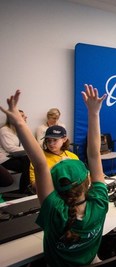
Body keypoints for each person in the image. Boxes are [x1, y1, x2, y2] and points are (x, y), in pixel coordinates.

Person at [0, 85, 108, 266]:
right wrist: (94, 112)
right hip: (92, 261)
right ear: (87, 181)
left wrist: (18, 124)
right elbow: (94, 154)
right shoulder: (99, 202)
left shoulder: (54, 210)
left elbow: (40, 165)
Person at [29, 125, 79, 192]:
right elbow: (35, 186)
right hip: (50, 194)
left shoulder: (72, 157)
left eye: (55, 140)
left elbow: (82, 179)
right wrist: (53, 170)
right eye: (48, 141)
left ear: (64, 139)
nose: (51, 144)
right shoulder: (39, 158)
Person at [0, 109, 30, 193]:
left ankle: (26, 187)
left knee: (28, 159)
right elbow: (11, 148)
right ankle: (25, 188)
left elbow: (24, 144)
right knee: (27, 161)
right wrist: (29, 150)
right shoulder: (4, 130)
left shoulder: (17, 129)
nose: (26, 117)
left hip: (13, 157)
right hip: (4, 159)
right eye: (22, 116)